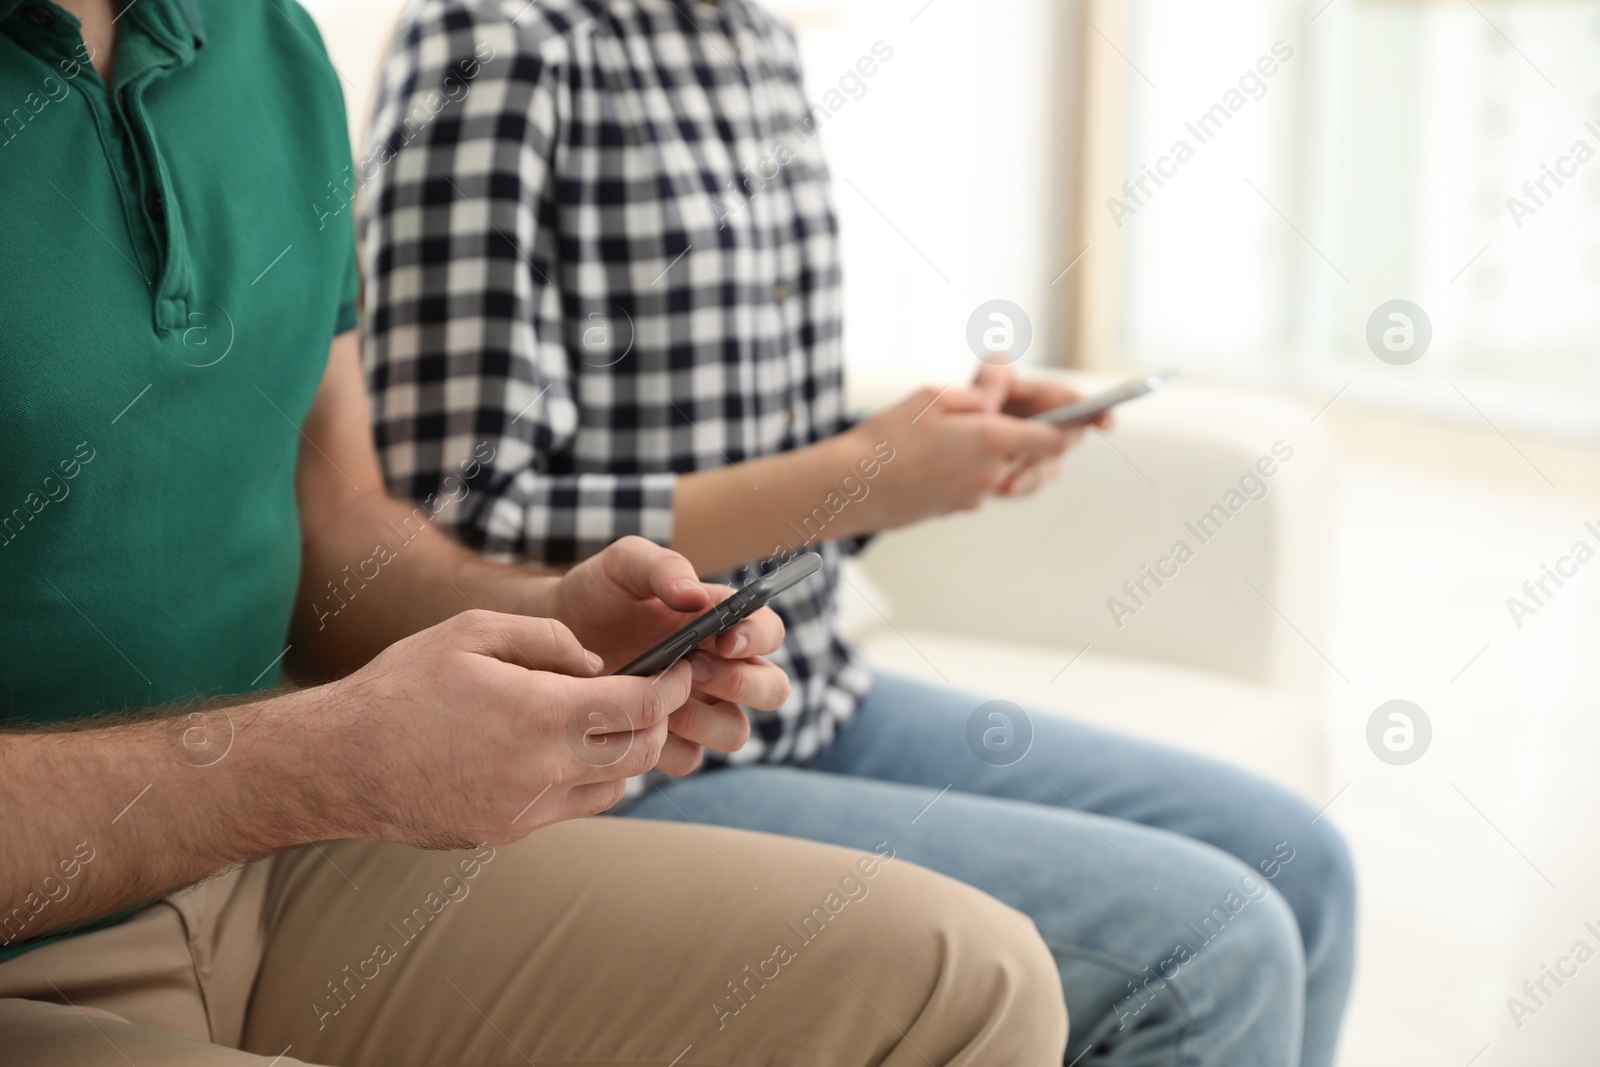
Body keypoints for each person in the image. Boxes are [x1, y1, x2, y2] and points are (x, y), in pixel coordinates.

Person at [0, 1, 1071, 1064]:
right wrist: (320, 758)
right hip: (47, 933)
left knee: (974, 982)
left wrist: (546, 615)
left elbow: (338, 525)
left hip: (273, 866)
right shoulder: (500, 44)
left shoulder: (267, 39)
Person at [362, 0, 1360, 1063]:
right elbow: (446, 526)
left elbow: (738, 445)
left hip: (812, 690)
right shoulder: (501, 42)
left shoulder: (757, 44)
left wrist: (920, 454)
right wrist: (853, 477)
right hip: (626, 755)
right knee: (1213, 950)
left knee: (1306, 864)